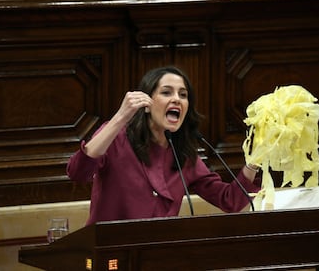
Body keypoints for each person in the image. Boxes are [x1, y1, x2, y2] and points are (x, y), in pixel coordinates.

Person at [66, 66, 261, 225]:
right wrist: (120, 117)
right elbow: (78, 172)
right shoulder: (117, 137)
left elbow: (230, 200)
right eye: (166, 92)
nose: (177, 98)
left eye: (183, 95)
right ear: (147, 103)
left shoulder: (183, 155)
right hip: (112, 256)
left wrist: (254, 161)